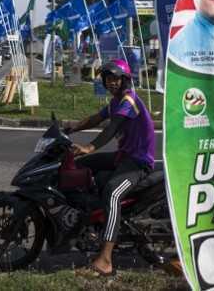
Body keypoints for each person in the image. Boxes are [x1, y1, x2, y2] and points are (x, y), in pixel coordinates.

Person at [64, 58, 155, 277]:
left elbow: (112, 128)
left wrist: (90, 146)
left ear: (125, 80)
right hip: (123, 157)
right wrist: (72, 127)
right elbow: (97, 118)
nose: (112, 82)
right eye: (108, 79)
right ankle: (91, 215)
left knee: (112, 193)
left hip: (138, 162)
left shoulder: (128, 100)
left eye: (116, 79)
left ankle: (105, 260)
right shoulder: (115, 102)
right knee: (79, 165)